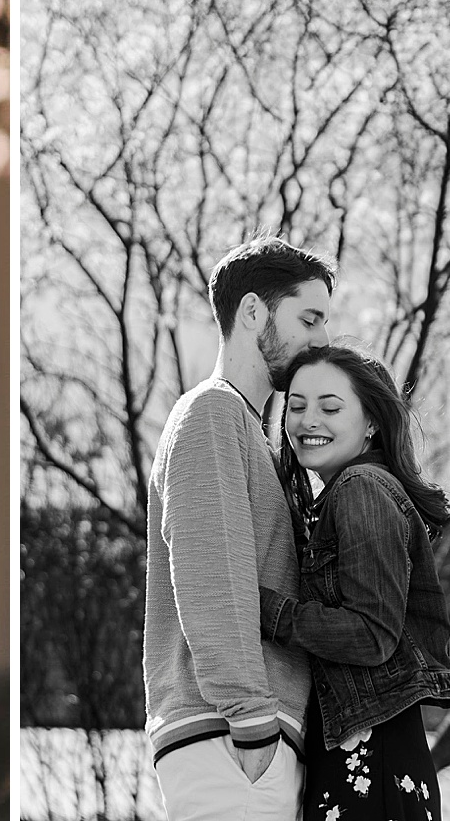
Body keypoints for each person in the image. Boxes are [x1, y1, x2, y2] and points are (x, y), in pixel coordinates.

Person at [145, 237, 334, 821]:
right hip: (229, 740)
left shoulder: (251, 431)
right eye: (309, 318)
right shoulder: (211, 414)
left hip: (246, 741)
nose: (321, 339)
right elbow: (209, 573)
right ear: (253, 312)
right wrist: (252, 723)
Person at [266, 348, 450, 821]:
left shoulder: (361, 488)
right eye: (296, 406)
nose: (308, 420)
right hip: (368, 756)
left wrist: (267, 612)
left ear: (372, 422)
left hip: (369, 765)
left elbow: (371, 633)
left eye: (330, 408)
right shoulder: (346, 492)